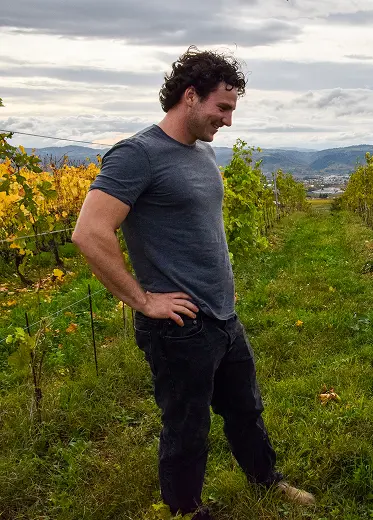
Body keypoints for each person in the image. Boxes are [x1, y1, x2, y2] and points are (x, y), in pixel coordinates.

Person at [72, 47, 314, 519]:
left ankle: (267, 481)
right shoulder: (137, 154)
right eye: (222, 108)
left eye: (232, 109)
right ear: (189, 95)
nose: (228, 120)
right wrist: (144, 301)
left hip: (223, 314)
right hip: (180, 325)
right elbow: (89, 232)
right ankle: (186, 510)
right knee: (187, 428)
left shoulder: (201, 153)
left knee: (245, 407)